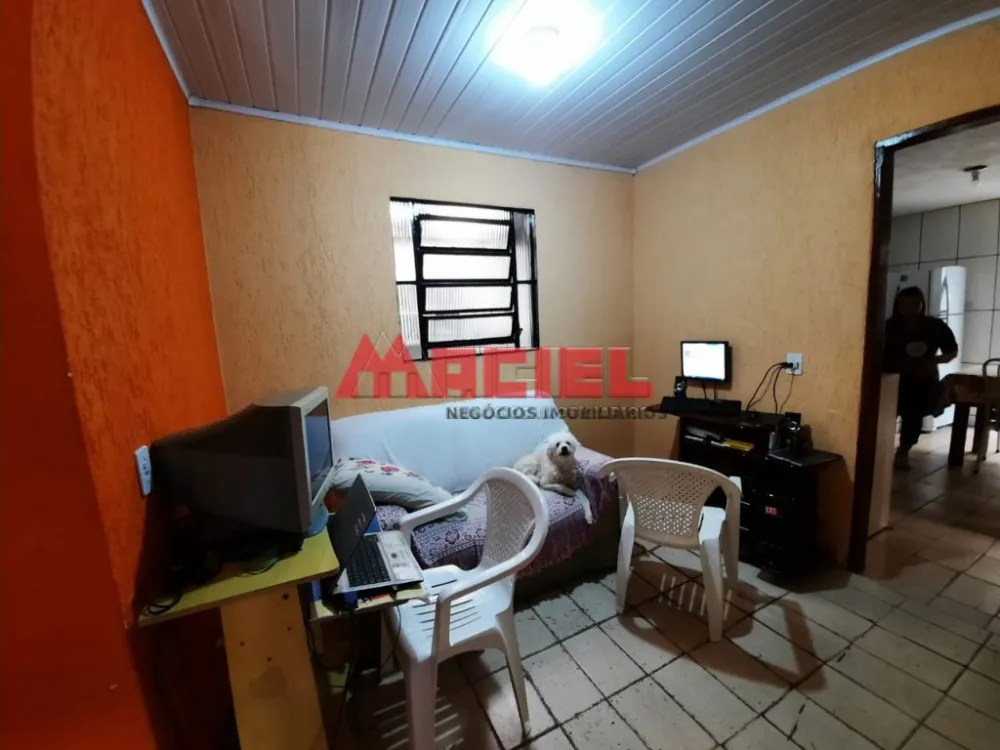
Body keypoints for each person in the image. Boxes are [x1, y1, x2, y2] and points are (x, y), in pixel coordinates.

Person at [884, 286, 958, 470]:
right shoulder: (888, 327)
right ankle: (880, 453)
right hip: (892, 379)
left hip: (922, 379)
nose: (910, 308)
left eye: (914, 304)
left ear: (922, 305)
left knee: (913, 417)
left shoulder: (934, 326)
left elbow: (952, 351)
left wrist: (933, 360)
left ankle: (903, 453)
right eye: (905, 304)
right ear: (897, 306)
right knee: (885, 416)